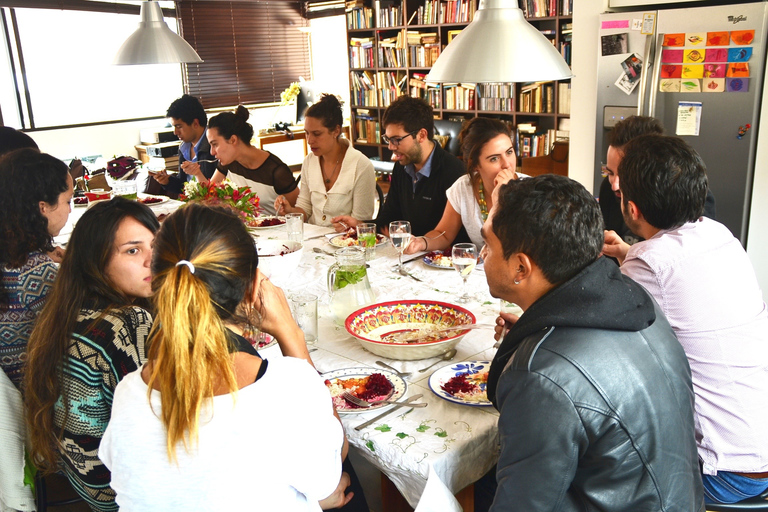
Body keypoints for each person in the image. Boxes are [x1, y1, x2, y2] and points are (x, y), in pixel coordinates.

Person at [99, 203, 349, 510]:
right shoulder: (287, 388)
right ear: (254, 286)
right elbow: (330, 471)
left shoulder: (129, 393)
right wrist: (290, 334)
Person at [481, 175, 702, 510]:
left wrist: (537, 354)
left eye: (488, 244)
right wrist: (534, 336)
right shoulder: (633, 298)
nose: (483, 254)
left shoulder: (540, 376)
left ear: (520, 267)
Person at [603, 135, 768, 505]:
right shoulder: (719, 234)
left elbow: (601, 343)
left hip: (724, 472)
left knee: (593, 462)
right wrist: (629, 253)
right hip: (758, 446)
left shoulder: (648, 263)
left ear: (632, 208)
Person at [24, 198, 159, 511]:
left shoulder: (65, 309)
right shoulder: (129, 322)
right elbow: (163, 427)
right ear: (96, 261)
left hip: (82, 480)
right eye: (133, 250)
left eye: (156, 245)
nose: (153, 261)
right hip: (118, 494)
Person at [333, 96, 467, 239]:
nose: (391, 146)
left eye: (396, 139)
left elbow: (454, 237)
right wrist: (360, 225)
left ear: (421, 135)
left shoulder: (455, 172)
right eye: (388, 139)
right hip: (408, 253)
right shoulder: (401, 168)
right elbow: (388, 219)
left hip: (440, 257)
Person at [1, 149, 72, 388]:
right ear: (43, 207)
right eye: (68, 201)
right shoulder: (33, 270)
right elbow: (76, 334)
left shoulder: (12, 254)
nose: (70, 210)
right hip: (30, 395)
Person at [404, 117, 522, 252]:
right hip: (478, 271)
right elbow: (444, 234)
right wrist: (422, 242)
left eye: (509, 152)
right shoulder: (463, 188)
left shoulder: (534, 192)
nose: (507, 164)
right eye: (494, 158)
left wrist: (505, 196)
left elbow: (515, 248)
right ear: (475, 165)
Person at [600, 115, 716, 245]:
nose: (615, 185)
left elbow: (690, 255)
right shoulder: (607, 189)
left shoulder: (690, 196)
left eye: (623, 174)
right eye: (610, 173)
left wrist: (630, 256)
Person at [274, 94, 375, 228]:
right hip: (313, 242)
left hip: (346, 244)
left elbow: (362, 223)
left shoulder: (361, 165)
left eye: (316, 134)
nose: (309, 140)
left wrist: (347, 227)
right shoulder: (309, 162)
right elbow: (305, 209)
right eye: (307, 133)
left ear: (336, 131)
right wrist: (290, 210)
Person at [207, 106, 299, 216]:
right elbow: (208, 196)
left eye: (215, 144)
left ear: (233, 140)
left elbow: (298, 213)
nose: (211, 152)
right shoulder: (228, 162)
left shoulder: (276, 171)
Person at [150, 94, 219, 197]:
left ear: (195, 123)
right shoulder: (184, 148)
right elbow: (183, 185)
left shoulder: (214, 147)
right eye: (174, 127)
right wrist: (167, 181)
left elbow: (218, 190)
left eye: (179, 126)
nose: (175, 132)